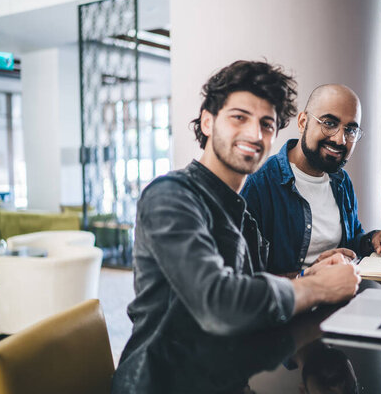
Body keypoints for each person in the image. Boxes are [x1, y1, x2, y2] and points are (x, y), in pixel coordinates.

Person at [111, 61, 361, 393]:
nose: (255, 134)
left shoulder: (238, 209)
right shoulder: (170, 196)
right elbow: (219, 302)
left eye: (267, 124)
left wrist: (311, 275)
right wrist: (319, 289)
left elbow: (251, 289)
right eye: (239, 117)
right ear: (208, 121)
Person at [241, 84, 381, 276]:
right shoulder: (259, 184)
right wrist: (310, 276)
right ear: (303, 122)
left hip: (345, 297)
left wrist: (374, 239)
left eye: (350, 130)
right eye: (329, 123)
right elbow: (246, 281)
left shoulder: (341, 181)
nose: (340, 140)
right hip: (293, 303)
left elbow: (351, 242)